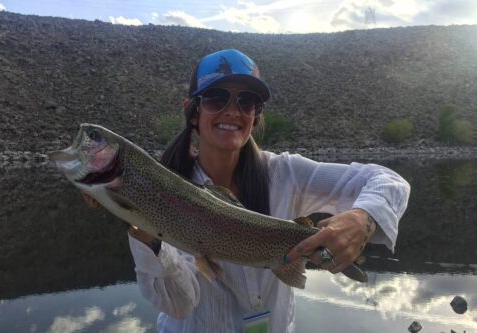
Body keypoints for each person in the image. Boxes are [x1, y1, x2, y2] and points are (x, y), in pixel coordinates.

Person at [83, 49, 410, 333]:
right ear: (193, 110)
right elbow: (180, 305)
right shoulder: (165, 191)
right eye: (216, 98)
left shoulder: (286, 172)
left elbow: (388, 181)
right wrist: (145, 230)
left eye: (247, 100)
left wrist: (361, 219)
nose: (233, 110)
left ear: (256, 114)